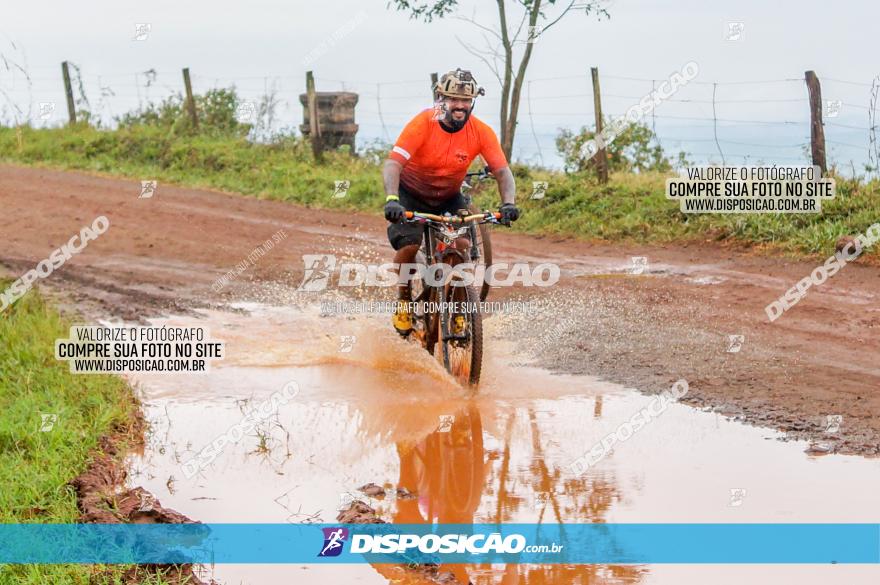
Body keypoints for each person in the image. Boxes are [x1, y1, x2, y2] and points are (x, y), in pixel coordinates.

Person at [382, 68, 519, 335]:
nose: (459, 105)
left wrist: (508, 204)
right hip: (411, 194)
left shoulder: (480, 131)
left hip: (448, 196)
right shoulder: (423, 123)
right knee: (409, 246)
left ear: (472, 103)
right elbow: (392, 164)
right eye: (453, 99)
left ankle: (457, 310)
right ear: (440, 99)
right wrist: (392, 200)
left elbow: (502, 172)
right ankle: (403, 300)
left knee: (462, 247)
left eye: (465, 100)